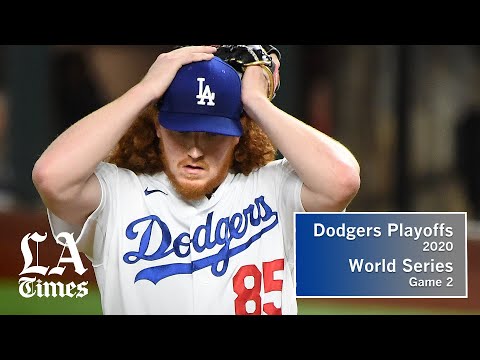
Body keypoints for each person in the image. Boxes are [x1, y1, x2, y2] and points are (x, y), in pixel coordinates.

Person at [32, 45, 360, 315]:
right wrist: (144, 90)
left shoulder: (272, 188)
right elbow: (51, 177)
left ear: (238, 135)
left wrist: (256, 102)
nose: (194, 150)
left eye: (212, 134)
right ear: (158, 127)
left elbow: (342, 179)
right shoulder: (120, 194)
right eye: (181, 131)